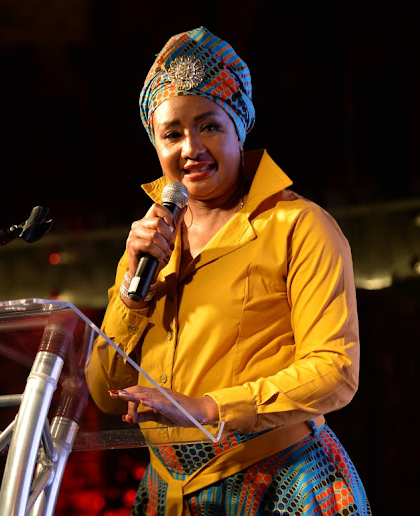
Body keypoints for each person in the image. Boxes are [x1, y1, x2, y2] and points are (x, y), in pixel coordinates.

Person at [86, 27, 371, 516]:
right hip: (168, 492)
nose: (190, 147)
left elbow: (335, 371)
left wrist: (210, 409)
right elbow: (105, 394)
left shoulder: (298, 226)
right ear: (155, 144)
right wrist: (133, 298)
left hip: (285, 480)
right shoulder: (148, 244)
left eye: (209, 126)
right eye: (172, 133)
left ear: (240, 127)